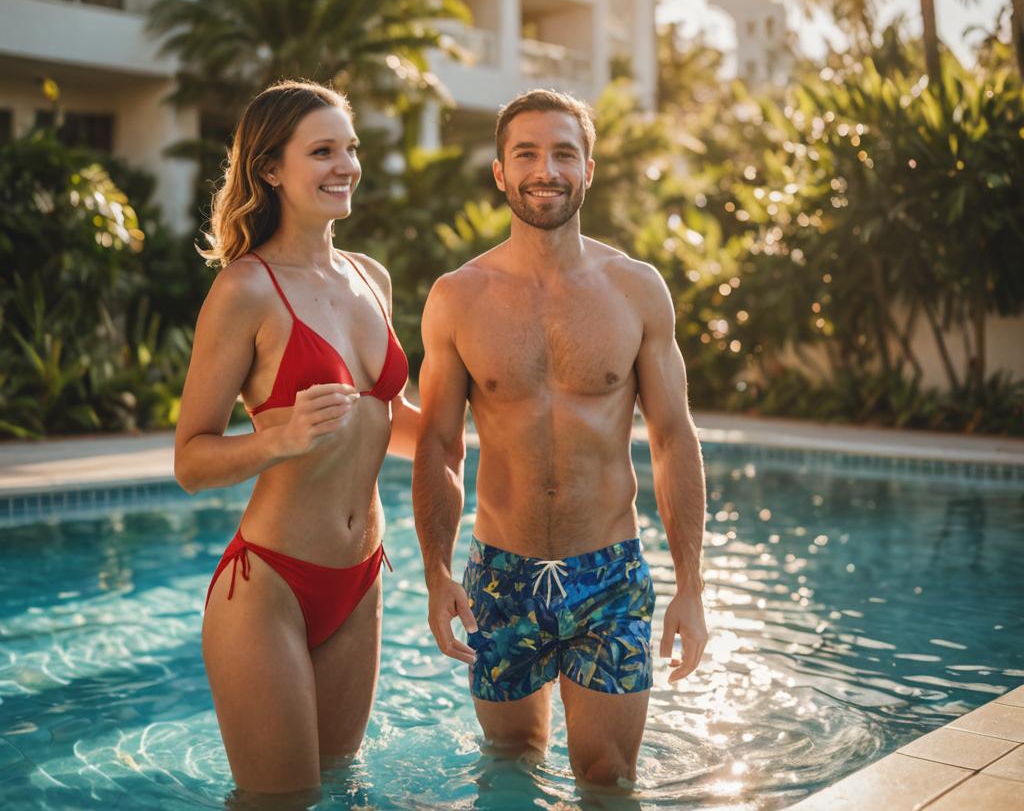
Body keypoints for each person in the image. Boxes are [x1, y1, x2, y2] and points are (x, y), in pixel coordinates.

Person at [412, 88, 708, 789]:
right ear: (500, 172)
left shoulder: (636, 290)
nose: (546, 170)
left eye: (563, 153)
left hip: (608, 574)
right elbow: (439, 448)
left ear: (589, 169)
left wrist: (692, 586)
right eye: (527, 154)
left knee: (607, 774)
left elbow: (672, 439)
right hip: (500, 577)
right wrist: (436, 575)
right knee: (512, 766)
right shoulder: (458, 296)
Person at [174, 80, 417, 797]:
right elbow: (191, 460)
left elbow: (388, 418)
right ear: (271, 169)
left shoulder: (371, 278)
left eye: (350, 149)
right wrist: (274, 440)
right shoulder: (245, 289)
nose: (345, 165)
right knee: (282, 800)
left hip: (363, 579)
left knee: (339, 786)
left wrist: (494, 425)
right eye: (322, 151)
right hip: (271, 586)